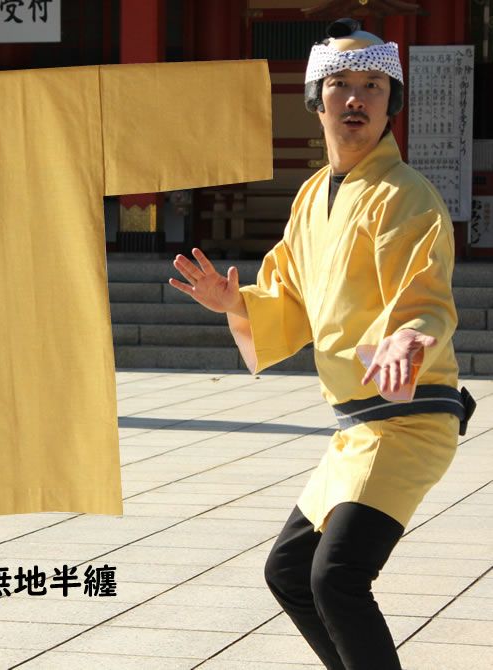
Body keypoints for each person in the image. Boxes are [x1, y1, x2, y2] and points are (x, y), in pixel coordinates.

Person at [169, 18, 475, 670]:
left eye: (372, 86)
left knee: (336, 578)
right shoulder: (312, 196)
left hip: (408, 420)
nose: (356, 99)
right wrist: (236, 303)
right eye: (340, 85)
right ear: (316, 99)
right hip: (356, 427)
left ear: (392, 103)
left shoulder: (407, 196)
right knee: (289, 573)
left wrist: (406, 338)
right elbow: (288, 293)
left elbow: (425, 294)